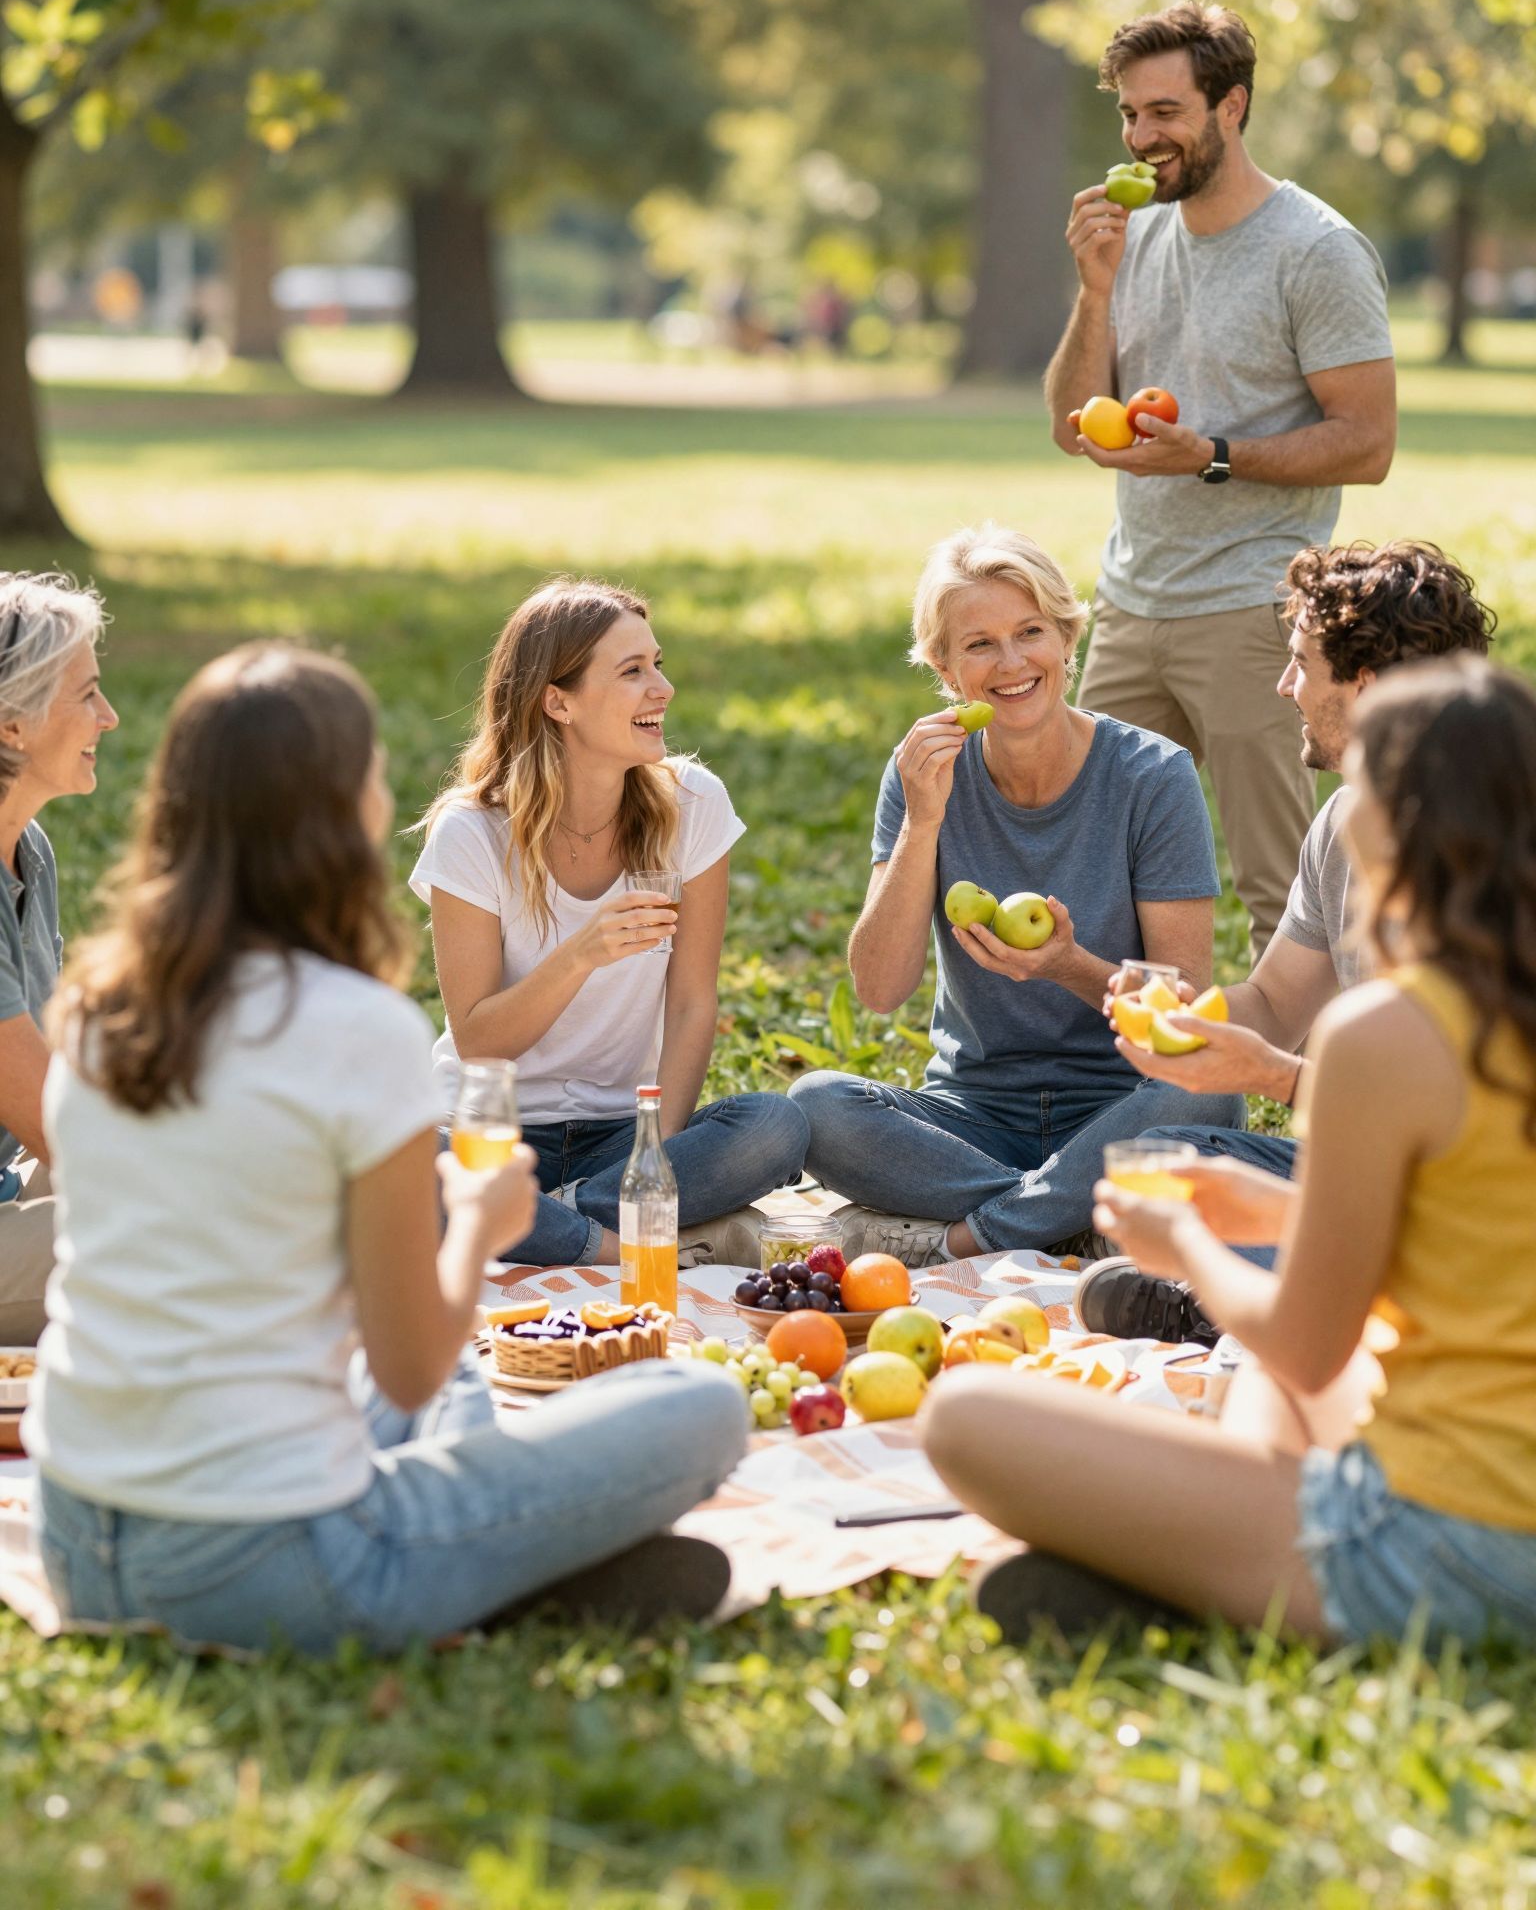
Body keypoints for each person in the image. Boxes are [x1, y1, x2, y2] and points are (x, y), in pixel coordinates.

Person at [28, 646, 747, 1655]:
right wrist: (480, 1227)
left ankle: (502, 1560)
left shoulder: (97, 1009)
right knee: (700, 1402)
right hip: (273, 1562)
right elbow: (408, 1365)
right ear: (340, 813)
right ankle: (510, 1572)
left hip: (76, 1535)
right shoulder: (357, 1028)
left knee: (460, 1391)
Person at [926, 658, 1536, 1650]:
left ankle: (1225, 1581)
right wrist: (1273, 1209)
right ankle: (1213, 1564)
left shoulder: (1389, 1031)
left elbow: (1306, 1342)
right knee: (1259, 1373)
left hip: (1445, 1547)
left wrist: (1189, 1249)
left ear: (1396, 826)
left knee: (965, 1415)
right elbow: (1481, 1229)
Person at [1044, 0, 1397, 959]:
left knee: (1285, 896)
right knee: (1092, 872)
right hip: (1131, 604)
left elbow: (1368, 443)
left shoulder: (1316, 249)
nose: (1140, 137)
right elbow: (1072, 426)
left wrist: (1213, 455)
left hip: (1252, 607)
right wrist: (1094, 288)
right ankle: (1134, 1050)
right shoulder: (1137, 239)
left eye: (1166, 112)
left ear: (1230, 106)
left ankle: (1324, 1056)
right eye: (1129, 114)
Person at [788, 524, 1243, 1267]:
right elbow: (879, 988)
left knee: (1207, 1093)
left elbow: (1181, 1006)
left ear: (1067, 637)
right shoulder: (921, 775)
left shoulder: (1152, 775)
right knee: (815, 1106)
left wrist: (1067, 966)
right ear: (944, 668)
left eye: (1030, 632)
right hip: (974, 1114)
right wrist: (924, 820)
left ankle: (976, 1236)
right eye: (979, 644)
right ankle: (1069, 1214)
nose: (1011, 663)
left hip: (1122, 1105)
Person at [1078, 539, 1495, 1343]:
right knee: (1165, 1156)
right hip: (1362, 1176)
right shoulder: (1340, 824)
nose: (1283, 685)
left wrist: (1269, 1074)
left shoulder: (1491, 848)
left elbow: (1458, 1115)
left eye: (1301, 663)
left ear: (1364, 684)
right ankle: (1283, 1288)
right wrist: (1184, 1016)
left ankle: (1263, 1298)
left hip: (1474, 1189)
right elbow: (1272, 1003)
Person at [412, 578, 807, 1270]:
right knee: (409, 1157)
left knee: (776, 1125)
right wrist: (581, 954)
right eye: (632, 671)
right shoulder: (472, 833)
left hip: (622, 1135)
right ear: (557, 702)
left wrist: (657, 1159)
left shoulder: (692, 805)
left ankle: (544, 1221)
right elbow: (478, 1041)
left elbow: (692, 1004)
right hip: (490, 1132)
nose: (663, 688)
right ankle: (615, 1239)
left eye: (658, 664)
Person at [0, 573, 118, 1347]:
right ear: (13, 725)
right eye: (87, 695)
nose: (109, 717)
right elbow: (56, 1127)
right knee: (163, 1238)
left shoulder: (29, 850)